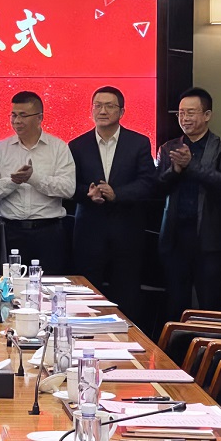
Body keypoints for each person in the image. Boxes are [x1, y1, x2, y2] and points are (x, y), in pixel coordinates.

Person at [69, 86, 155, 327]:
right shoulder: (77, 145)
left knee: (127, 293)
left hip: (127, 230)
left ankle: (128, 338)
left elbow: (149, 183)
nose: (102, 111)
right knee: (87, 293)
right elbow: (68, 185)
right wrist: (87, 193)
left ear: (122, 112)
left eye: (109, 106)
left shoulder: (138, 143)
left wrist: (118, 194)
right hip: (89, 230)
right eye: (97, 106)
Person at [156, 87, 221, 324]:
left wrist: (191, 166)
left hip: (210, 241)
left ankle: (210, 348)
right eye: (181, 113)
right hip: (175, 240)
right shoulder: (168, 148)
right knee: (175, 304)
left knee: (210, 304)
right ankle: (175, 348)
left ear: (207, 115)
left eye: (191, 112)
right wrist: (175, 170)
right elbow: (157, 189)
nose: (184, 118)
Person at [0, 91, 75, 273]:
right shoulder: (1, 149)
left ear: (39, 118)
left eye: (23, 115)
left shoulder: (58, 148)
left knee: (50, 285)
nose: (17, 121)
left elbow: (68, 188)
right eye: (13, 115)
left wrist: (33, 178)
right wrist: (12, 181)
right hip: (9, 231)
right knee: (11, 285)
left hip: (49, 233)